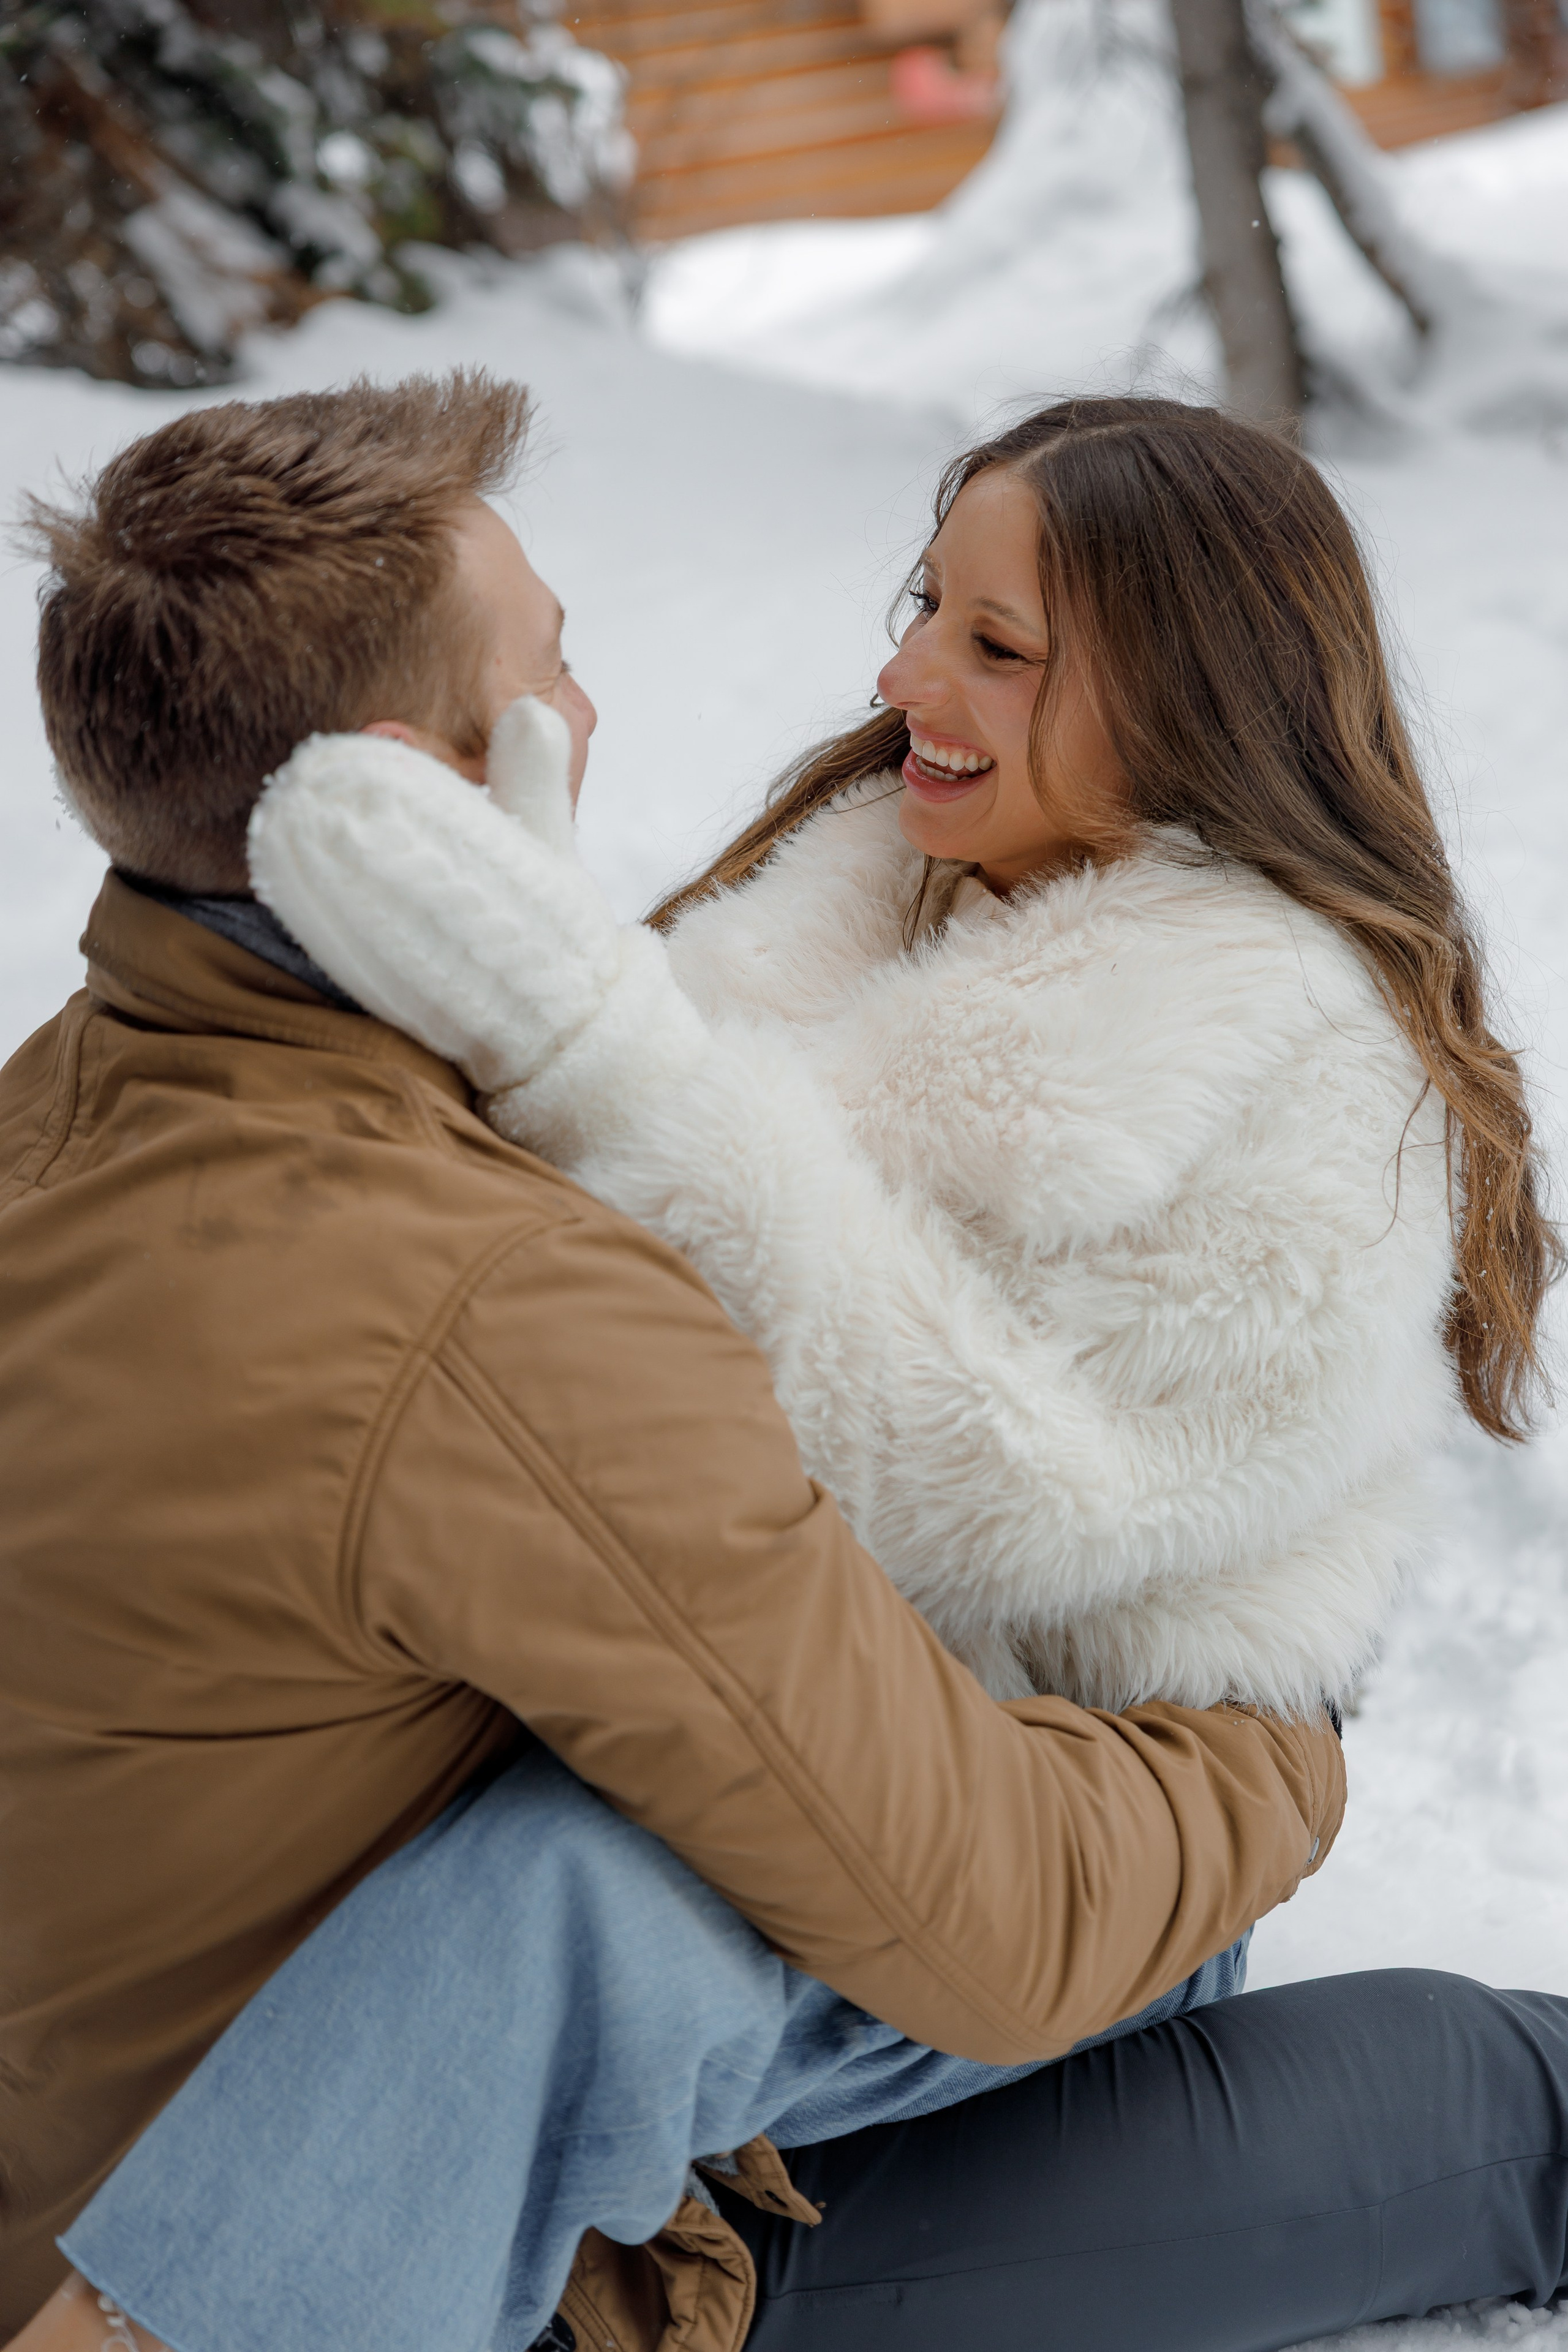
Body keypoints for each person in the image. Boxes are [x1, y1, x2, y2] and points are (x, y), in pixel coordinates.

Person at [0, 375, 1560, 2352]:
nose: (903, 671)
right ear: (393, 798)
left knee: (1459, 2092)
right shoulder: (545, 1225)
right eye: (930, 606)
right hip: (853, 1874)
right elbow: (924, 1848)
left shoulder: (89, 1099)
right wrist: (583, 1047)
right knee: (583, 1910)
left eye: (995, 643)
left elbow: (1025, 1498)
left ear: (1193, 702)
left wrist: (595, 1050)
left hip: (1050, 1789)